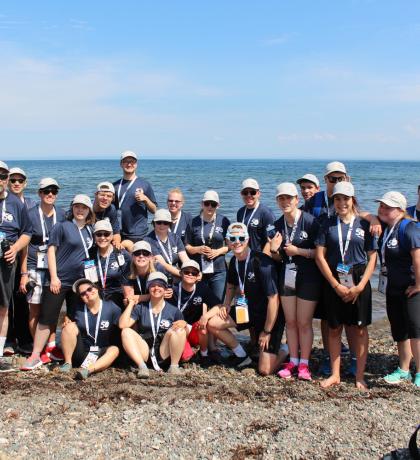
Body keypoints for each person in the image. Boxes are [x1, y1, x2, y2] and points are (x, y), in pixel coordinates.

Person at [21, 194, 95, 370]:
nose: (80, 210)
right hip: (58, 280)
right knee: (47, 318)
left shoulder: (90, 230)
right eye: (77, 206)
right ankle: (35, 355)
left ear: (89, 211)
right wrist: (54, 277)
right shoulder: (61, 226)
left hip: (79, 283)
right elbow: (51, 252)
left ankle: (73, 354)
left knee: (74, 318)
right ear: (72, 208)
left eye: (84, 207)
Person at [315, 182, 377, 390]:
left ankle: (359, 376)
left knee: (359, 329)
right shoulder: (327, 223)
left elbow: (372, 257)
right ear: (334, 201)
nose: (342, 203)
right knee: (334, 328)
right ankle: (335, 374)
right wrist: (334, 284)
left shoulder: (365, 224)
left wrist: (360, 286)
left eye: (346, 199)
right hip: (334, 279)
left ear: (353, 200)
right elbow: (319, 257)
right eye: (338, 199)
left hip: (359, 278)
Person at [209, 222, 288, 374]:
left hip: (269, 316)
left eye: (241, 238)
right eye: (232, 238)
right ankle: (242, 354)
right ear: (227, 241)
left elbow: (274, 299)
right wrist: (226, 304)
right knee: (213, 324)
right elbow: (231, 285)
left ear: (247, 240)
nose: (236, 241)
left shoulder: (261, 262)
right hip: (246, 309)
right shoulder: (233, 261)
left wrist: (267, 331)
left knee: (265, 370)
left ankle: (286, 349)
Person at [264, 183, 321, 381]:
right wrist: (274, 250)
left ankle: (304, 364)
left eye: (289, 198)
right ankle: (293, 360)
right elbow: (279, 258)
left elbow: (320, 254)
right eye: (281, 198)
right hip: (287, 276)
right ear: (277, 201)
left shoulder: (311, 222)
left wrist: (299, 251)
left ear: (297, 199)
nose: (285, 201)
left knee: (304, 323)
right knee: (291, 321)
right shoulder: (276, 226)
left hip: (309, 277)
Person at [375, 191, 420, 387]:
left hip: (411, 288)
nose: (382, 209)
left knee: (415, 331)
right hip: (392, 287)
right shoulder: (387, 227)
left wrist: (419, 284)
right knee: (399, 330)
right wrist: (373, 219)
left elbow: (418, 259)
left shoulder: (408, 228)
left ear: (400, 210)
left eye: (387, 207)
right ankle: (403, 369)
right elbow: (360, 213)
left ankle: (419, 371)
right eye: (381, 206)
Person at [19, 178, 66, 362]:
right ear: (39, 193)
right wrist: (23, 274)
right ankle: (39, 347)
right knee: (35, 311)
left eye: (54, 191)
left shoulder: (62, 214)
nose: (50, 194)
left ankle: (51, 347)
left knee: (51, 311)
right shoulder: (30, 214)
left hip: (54, 268)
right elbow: (24, 245)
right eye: (46, 191)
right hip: (34, 266)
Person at [120, 271, 188, 378]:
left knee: (179, 330)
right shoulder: (140, 308)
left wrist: (184, 324)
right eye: (152, 285)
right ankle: (142, 367)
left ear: (165, 289)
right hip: (145, 352)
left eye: (160, 285)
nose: (156, 288)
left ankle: (174, 366)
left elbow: (184, 334)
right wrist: (131, 303)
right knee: (126, 331)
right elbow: (123, 325)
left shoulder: (174, 310)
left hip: (164, 351)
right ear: (148, 288)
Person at [0, 161, 32, 372]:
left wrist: (15, 248)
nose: (0, 180)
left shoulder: (16, 203)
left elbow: (27, 233)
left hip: (5, 260)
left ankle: (0, 353)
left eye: (4, 176)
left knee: (3, 307)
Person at [59, 278, 120, 379]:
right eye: (83, 293)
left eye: (89, 289)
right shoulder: (77, 309)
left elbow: (122, 325)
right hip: (82, 352)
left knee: (115, 349)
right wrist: (66, 321)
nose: (87, 293)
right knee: (69, 327)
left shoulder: (111, 307)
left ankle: (87, 371)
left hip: (101, 353)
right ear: (81, 297)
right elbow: (67, 321)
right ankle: (67, 363)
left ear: (96, 289)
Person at [5, 167, 36, 356]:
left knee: (24, 298)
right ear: (8, 182)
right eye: (13, 180)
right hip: (7, 259)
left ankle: (25, 339)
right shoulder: (4, 202)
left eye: (20, 180)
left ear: (25, 183)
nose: (16, 183)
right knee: (5, 300)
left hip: (27, 258)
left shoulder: (32, 204)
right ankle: (8, 340)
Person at [169, 260, 222, 365]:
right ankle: (189, 349)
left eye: (193, 273)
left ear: (198, 276)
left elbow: (219, 305)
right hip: (177, 328)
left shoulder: (202, 288)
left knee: (202, 328)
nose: (190, 274)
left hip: (193, 328)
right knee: (185, 358)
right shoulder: (172, 289)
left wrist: (206, 316)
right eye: (186, 272)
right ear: (180, 273)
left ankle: (204, 354)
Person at [185, 190, 230, 302]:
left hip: (219, 270)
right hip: (198, 271)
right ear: (202, 204)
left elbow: (230, 246)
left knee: (217, 303)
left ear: (218, 205)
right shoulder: (193, 222)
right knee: (199, 303)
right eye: (207, 203)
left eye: (213, 204)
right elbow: (187, 246)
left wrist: (217, 252)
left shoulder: (224, 221)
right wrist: (198, 249)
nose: (210, 207)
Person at [113, 150, 157, 244]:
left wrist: (146, 199)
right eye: (126, 162)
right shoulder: (115, 186)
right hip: (118, 233)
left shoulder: (145, 184)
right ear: (121, 164)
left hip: (138, 234)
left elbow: (154, 210)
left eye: (132, 162)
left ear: (136, 164)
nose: (129, 164)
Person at [90, 220, 131, 309]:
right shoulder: (90, 254)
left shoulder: (121, 253)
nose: (102, 237)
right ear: (94, 236)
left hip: (118, 299)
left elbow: (131, 278)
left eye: (106, 234)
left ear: (112, 236)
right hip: (97, 299)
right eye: (99, 234)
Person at [145, 209, 189, 280]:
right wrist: (184, 275)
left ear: (169, 224)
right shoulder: (148, 240)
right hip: (159, 276)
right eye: (159, 222)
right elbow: (163, 264)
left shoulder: (175, 238)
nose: (162, 225)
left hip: (177, 273)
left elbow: (185, 259)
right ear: (154, 223)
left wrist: (194, 270)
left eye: (165, 223)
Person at [236, 178, 275, 252]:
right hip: (245, 255)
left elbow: (271, 240)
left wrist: (263, 258)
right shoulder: (240, 212)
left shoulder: (267, 213)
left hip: (261, 257)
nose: (249, 195)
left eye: (252, 192)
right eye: (245, 192)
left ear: (258, 194)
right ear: (241, 194)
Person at [92, 182, 122, 248]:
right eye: (102, 195)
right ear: (96, 195)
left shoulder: (111, 209)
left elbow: (116, 233)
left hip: (104, 242)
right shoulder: (87, 209)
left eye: (109, 196)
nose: (105, 198)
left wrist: (116, 242)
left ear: (112, 198)